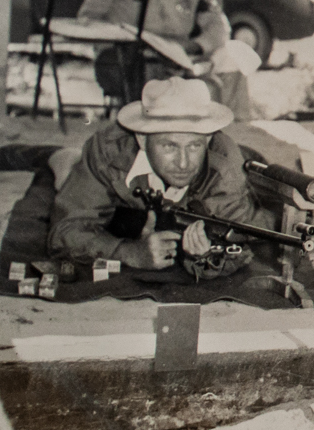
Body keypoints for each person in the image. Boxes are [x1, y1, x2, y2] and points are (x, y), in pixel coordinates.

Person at [48, 77, 274, 279]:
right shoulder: (108, 152)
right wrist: (126, 251)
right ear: (142, 140)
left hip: (251, 168)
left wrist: (206, 255)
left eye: (194, 146)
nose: (184, 163)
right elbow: (66, 231)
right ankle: (59, 156)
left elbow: (243, 240)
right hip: (109, 178)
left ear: (207, 140)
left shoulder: (225, 167)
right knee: (63, 173)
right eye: (169, 146)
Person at [78, 0, 254, 121]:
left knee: (233, 56)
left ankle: (235, 131)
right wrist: (119, 38)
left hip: (181, 52)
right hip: (129, 51)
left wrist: (197, 45)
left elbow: (217, 25)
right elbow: (87, 19)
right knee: (140, 64)